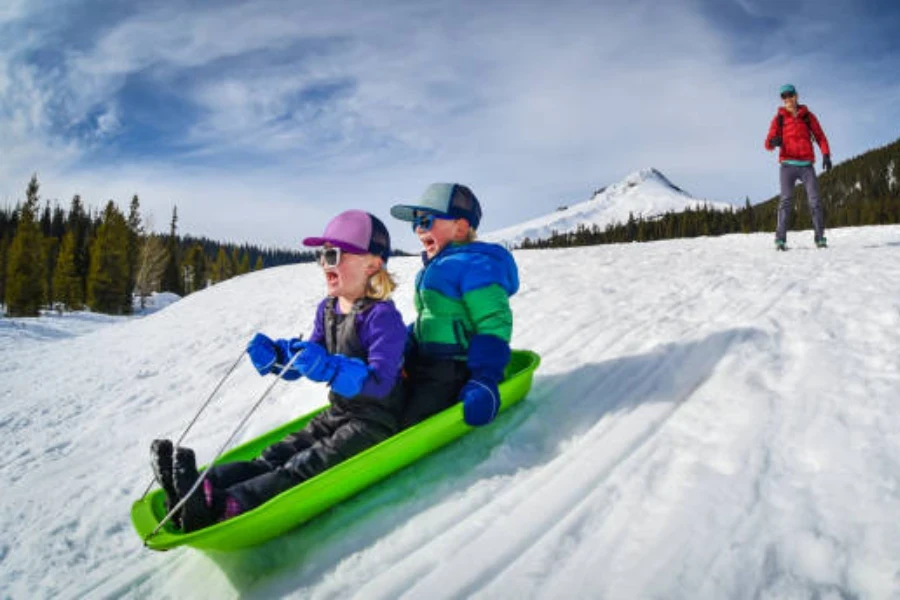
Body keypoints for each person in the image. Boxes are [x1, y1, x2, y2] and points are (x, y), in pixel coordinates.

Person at [150, 210, 407, 532]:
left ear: (372, 264)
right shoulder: (328, 309)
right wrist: (277, 356)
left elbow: (381, 382)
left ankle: (231, 504)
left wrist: (329, 367)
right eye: (321, 256)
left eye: (334, 255)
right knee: (277, 453)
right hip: (339, 412)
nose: (325, 264)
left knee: (305, 465)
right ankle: (198, 487)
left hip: (373, 423)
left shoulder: (383, 318)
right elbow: (308, 356)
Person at [390, 183, 519, 428]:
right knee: (386, 402)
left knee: (408, 419)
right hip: (425, 363)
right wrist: (403, 348)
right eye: (415, 223)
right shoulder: (432, 268)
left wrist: (485, 379)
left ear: (459, 228)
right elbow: (429, 318)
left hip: (457, 369)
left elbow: (493, 325)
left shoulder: (476, 266)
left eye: (426, 221)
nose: (418, 229)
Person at [765, 83, 832, 250]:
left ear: (796, 96)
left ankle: (820, 238)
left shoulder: (808, 116)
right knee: (786, 201)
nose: (788, 99)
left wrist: (826, 154)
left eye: (790, 95)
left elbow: (820, 136)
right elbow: (767, 143)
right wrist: (773, 142)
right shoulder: (779, 119)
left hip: (807, 166)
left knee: (815, 201)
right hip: (787, 165)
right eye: (784, 97)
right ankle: (780, 240)